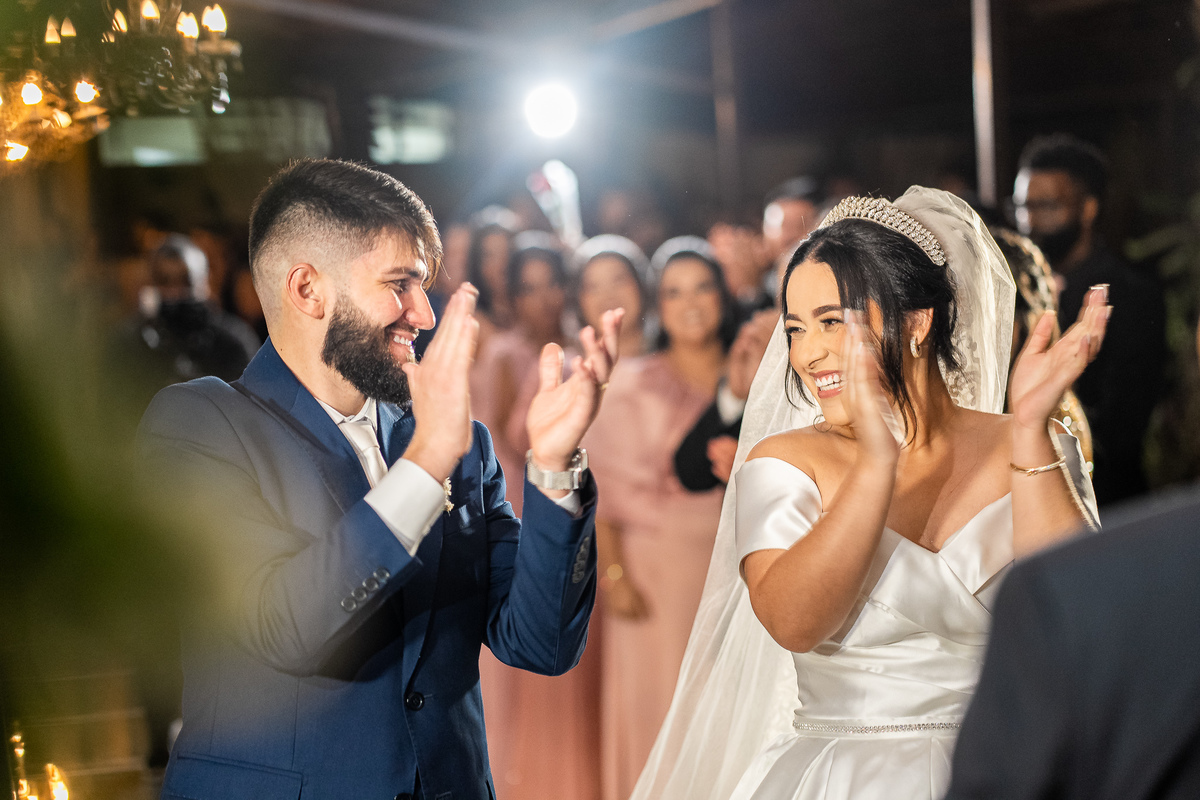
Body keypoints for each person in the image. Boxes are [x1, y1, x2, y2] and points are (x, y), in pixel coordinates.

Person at [138, 159, 621, 800]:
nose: (423, 314)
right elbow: (284, 627)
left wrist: (555, 464)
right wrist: (422, 470)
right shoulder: (201, 424)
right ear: (307, 290)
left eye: (424, 286)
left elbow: (540, 644)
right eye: (400, 284)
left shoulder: (462, 443)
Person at [630, 187, 1106, 800]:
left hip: (1008, 767)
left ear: (916, 321)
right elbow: (792, 622)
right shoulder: (784, 464)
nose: (808, 352)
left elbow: (1073, 620)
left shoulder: (1029, 442)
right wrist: (876, 462)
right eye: (796, 328)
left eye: (832, 321)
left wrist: (1033, 429)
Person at [584, 236, 739, 800]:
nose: (690, 302)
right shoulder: (632, 381)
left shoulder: (756, 371)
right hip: (657, 573)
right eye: (674, 292)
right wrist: (615, 575)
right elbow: (603, 496)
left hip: (741, 565)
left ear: (723, 295)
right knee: (664, 711)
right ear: (658, 305)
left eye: (702, 287)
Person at [474, 234, 602, 800]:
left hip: (574, 494)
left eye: (552, 282)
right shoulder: (503, 354)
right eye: (529, 286)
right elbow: (499, 436)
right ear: (513, 294)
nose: (543, 296)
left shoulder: (584, 347)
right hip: (521, 501)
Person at [1012, 133, 1165, 506]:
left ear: (1088, 209)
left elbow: (1124, 429)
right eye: (1021, 206)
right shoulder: (1009, 293)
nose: (1030, 220)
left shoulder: (1131, 296)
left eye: (1047, 206)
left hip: (1107, 505)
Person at [572, 235, 652, 360]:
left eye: (619, 280)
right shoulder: (568, 370)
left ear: (641, 286)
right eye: (593, 287)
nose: (608, 296)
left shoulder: (678, 361)